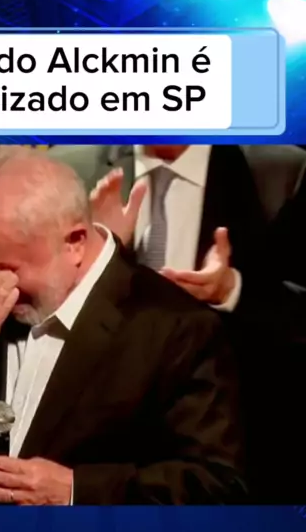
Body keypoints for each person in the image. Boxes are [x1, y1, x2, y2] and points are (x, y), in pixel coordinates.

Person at [0, 147, 245, 505]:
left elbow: (215, 485)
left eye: (7, 269)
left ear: (74, 243)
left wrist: (76, 491)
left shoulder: (176, 328)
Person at [46, 143, 306, 502]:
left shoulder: (282, 173)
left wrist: (232, 289)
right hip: (89, 467)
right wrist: (96, 257)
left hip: (236, 462)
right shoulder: (66, 168)